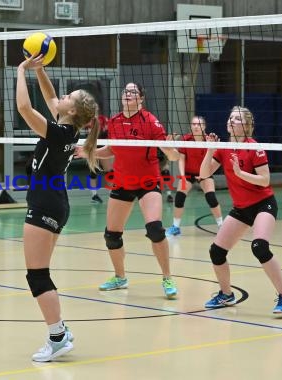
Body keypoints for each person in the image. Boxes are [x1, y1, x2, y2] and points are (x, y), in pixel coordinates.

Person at [17, 54, 99, 362]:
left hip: (45, 203)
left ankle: (57, 336)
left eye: (69, 97)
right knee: (40, 273)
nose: (61, 97)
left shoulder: (60, 132)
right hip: (54, 201)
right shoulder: (67, 128)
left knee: (37, 276)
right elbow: (51, 97)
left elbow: (25, 108)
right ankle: (60, 328)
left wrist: (22, 70)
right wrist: (40, 71)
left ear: (73, 110)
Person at [200, 106, 282, 314]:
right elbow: (203, 174)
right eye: (230, 118)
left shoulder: (254, 147)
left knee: (259, 246)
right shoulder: (223, 147)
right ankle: (226, 294)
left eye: (237, 119)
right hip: (241, 209)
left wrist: (239, 173)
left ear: (247, 125)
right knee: (216, 251)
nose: (231, 121)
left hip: (263, 204)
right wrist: (209, 149)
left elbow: (265, 180)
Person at [92, 82, 181, 298]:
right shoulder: (114, 122)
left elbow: (173, 156)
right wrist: (89, 152)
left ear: (141, 98)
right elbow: (112, 149)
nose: (128, 95)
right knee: (111, 235)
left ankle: (167, 278)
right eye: (126, 92)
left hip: (148, 182)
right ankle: (120, 277)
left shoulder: (151, 122)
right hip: (123, 181)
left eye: (133, 92)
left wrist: (171, 149)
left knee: (155, 230)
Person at [166, 116, 223, 236]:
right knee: (180, 196)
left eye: (199, 124)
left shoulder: (209, 141)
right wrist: (182, 177)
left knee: (211, 197)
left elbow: (213, 161)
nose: (196, 126)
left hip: (205, 174)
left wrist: (205, 174)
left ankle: (221, 226)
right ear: (190, 126)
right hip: (188, 174)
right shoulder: (186, 140)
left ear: (204, 126)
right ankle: (175, 227)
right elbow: (181, 159)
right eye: (194, 124)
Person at [83, 112, 112, 204]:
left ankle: (113, 193)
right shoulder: (85, 122)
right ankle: (94, 195)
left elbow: (108, 130)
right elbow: (89, 135)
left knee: (109, 171)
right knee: (93, 171)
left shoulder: (103, 119)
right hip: (93, 147)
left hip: (103, 147)